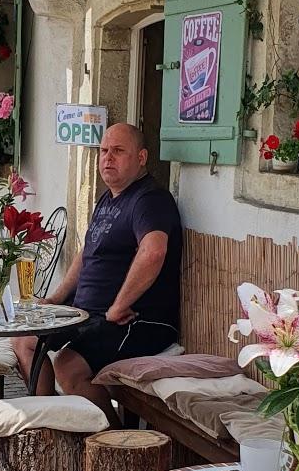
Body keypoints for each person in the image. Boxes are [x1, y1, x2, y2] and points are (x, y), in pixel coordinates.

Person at [13, 123, 181, 425]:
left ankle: (112, 441)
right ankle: (51, 426)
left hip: (137, 321)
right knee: (25, 339)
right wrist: (57, 298)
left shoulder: (150, 199)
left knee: (69, 366)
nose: (107, 158)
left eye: (118, 151)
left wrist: (118, 305)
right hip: (88, 314)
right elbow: (86, 251)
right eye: (104, 151)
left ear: (141, 157)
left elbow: (154, 251)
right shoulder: (108, 198)